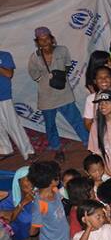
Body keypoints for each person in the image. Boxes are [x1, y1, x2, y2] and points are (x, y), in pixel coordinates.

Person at [27, 27, 88, 161]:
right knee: (50, 125)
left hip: (64, 94)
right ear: (37, 42)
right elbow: (33, 73)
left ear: (52, 38)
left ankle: (88, 143)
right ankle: (56, 148)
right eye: (41, 40)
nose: (45, 42)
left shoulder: (62, 50)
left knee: (76, 120)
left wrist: (59, 77)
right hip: (46, 97)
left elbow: (67, 64)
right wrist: (44, 81)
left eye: (47, 38)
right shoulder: (35, 57)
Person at [0, 47, 34, 160]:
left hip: (3, 95)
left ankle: (28, 151)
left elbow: (9, 74)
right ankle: (5, 149)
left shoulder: (4, 55)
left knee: (13, 124)